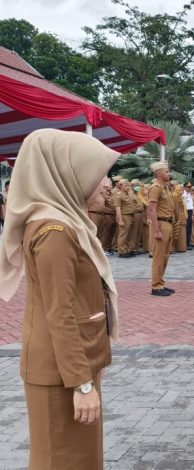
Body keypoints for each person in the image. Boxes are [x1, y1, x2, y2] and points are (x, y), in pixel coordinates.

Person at [0, 129, 120, 470]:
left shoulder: (67, 224)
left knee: (80, 459)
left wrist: (90, 367)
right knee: (61, 460)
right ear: (69, 175)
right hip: (60, 372)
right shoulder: (55, 232)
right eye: (98, 174)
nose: (107, 184)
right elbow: (60, 313)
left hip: (70, 366)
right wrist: (82, 382)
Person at [147, 161, 176, 296]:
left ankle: (160, 283)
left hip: (168, 223)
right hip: (161, 224)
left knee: (165, 256)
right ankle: (156, 286)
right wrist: (157, 230)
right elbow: (151, 210)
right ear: (159, 174)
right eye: (166, 171)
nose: (168, 173)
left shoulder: (165, 188)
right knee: (159, 257)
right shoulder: (156, 188)